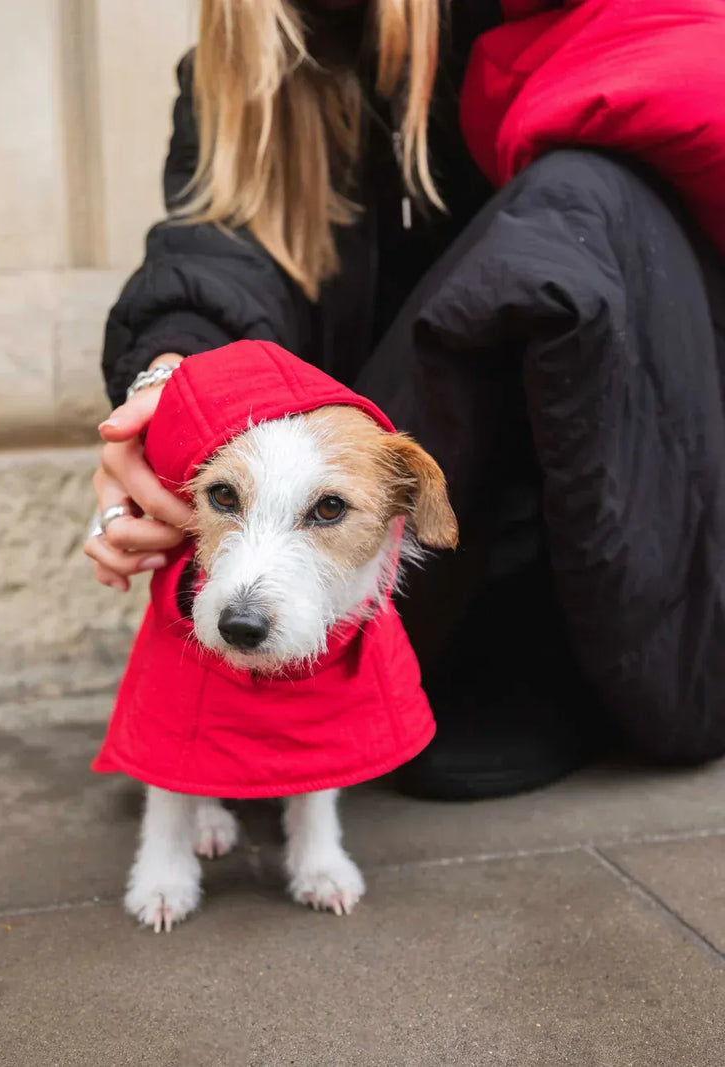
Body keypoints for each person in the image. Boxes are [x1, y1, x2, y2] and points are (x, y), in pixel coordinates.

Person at [85, 0, 725, 800]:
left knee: (571, 215)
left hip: (618, 476)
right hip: (403, 532)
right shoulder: (262, 54)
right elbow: (217, 255)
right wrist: (166, 388)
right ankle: (351, 675)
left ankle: (572, 649)